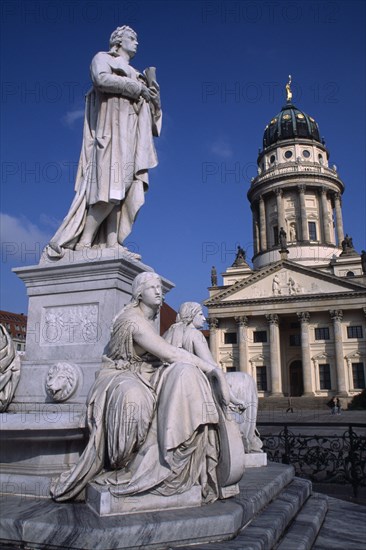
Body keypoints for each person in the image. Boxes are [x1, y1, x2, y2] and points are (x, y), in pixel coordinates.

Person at [50, 273, 240, 503]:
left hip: (144, 372)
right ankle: (128, 463)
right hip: (117, 377)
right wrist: (213, 370)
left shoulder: (152, 320)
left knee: (185, 375)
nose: (159, 291)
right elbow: (170, 353)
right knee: (135, 398)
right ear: (139, 293)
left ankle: (176, 457)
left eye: (160, 287)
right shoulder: (134, 320)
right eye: (152, 287)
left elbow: (168, 356)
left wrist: (206, 371)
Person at [46, 26, 162, 259]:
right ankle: (85, 242)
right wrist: (137, 88)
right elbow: (101, 80)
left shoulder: (138, 73)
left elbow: (153, 117)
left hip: (132, 136)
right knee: (110, 187)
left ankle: (112, 242)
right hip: (111, 133)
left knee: (126, 187)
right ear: (118, 41)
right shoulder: (102, 58)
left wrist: (153, 97)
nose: (136, 43)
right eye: (132, 38)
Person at [164, 302, 262, 453]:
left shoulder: (172, 332)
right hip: (204, 381)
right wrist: (233, 397)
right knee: (245, 380)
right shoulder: (194, 334)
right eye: (200, 315)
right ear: (191, 316)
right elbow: (211, 367)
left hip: (187, 383)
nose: (204, 319)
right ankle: (244, 437)